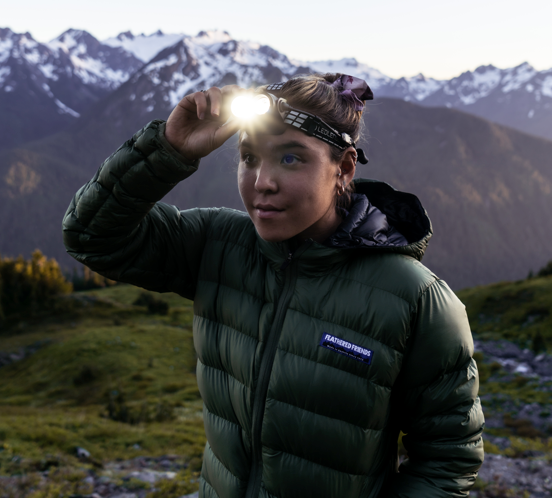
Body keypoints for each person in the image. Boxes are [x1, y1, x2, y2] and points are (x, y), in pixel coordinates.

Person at [62, 73, 485, 498]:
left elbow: (448, 459)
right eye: (249, 157)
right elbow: (91, 236)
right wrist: (169, 149)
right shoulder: (218, 245)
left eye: (290, 158)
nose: (262, 181)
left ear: (344, 167)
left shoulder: (416, 298)